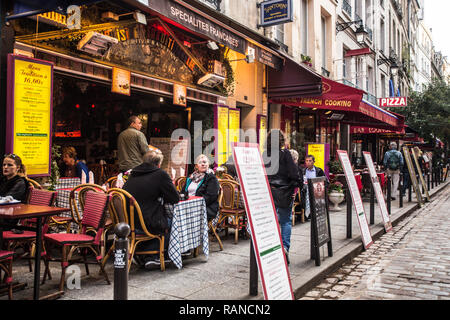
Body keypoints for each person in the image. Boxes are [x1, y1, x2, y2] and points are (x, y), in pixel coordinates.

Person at [123, 150, 180, 269]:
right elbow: (174, 198)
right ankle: (155, 255)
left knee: (157, 219)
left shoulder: (133, 174)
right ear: (159, 164)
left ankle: (142, 253)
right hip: (147, 222)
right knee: (173, 222)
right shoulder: (160, 174)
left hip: (128, 222)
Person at [264, 130, 300, 265]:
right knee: (285, 221)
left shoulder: (264, 154)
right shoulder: (285, 154)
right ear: (281, 141)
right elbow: (294, 174)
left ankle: (270, 249)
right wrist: (293, 187)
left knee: (270, 222)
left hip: (269, 192)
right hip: (284, 192)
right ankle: (284, 248)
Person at [180, 154, 220, 222]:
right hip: (188, 205)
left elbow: (210, 197)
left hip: (204, 207)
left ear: (208, 164)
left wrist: (194, 204)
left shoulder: (211, 178)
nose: (203, 164)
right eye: (200, 162)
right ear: (196, 166)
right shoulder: (191, 177)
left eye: (205, 162)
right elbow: (183, 192)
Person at [0, 154, 28, 229]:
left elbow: (7, 200)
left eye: (9, 165)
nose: (5, 167)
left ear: (17, 168)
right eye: (4, 165)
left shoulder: (20, 182)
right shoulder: (3, 180)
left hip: (10, 219)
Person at [300, 154, 326, 221]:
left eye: (310, 161)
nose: (308, 162)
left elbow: (325, 181)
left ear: (313, 162)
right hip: (306, 191)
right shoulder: (303, 171)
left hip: (316, 191)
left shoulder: (319, 171)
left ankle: (315, 214)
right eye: (307, 161)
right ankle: (308, 215)